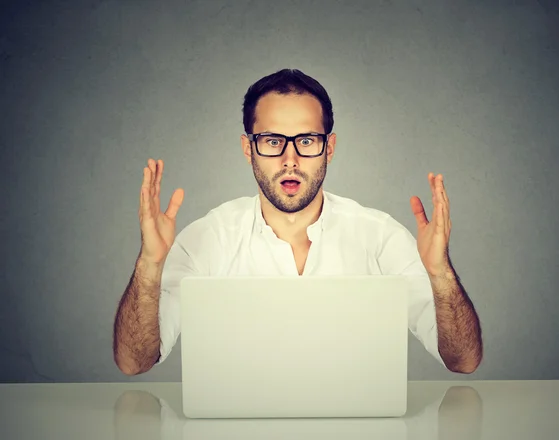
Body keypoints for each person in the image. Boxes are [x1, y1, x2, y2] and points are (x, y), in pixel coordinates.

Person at [112, 69, 483, 376]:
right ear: (248, 149)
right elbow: (134, 362)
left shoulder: (380, 236)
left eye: (306, 139)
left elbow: (463, 361)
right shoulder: (207, 239)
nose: (290, 158)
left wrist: (440, 274)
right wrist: (150, 264)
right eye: (272, 140)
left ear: (329, 147)